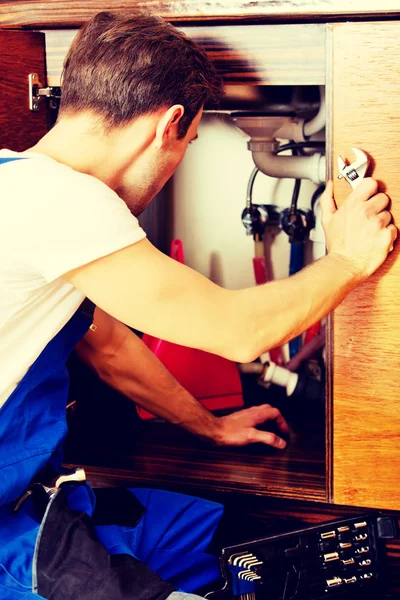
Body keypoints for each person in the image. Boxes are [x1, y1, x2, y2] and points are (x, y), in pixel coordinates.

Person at [0, 10, 396, 600]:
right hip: (9, 534)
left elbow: (109, 346)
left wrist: (210, 427)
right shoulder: (63, 197)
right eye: (188, 144)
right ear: (169, 125)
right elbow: (238, 333)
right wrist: (346, 261)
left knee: (218, 530)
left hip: (32, 493)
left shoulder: (18, 178)